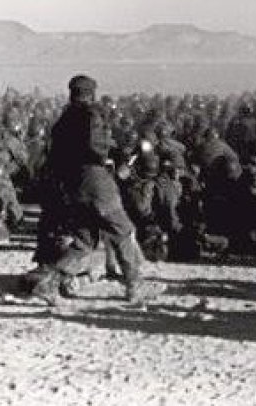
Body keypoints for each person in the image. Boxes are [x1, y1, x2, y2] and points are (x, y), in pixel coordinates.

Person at [30, 75, 160, 304]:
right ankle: (135, 285)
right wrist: (114, 156)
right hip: (95, 181)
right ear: (91, 93)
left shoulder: (63, 119)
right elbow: (95, 146)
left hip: (72, 184)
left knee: (84, 241)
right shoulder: (91, 114)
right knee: (123, 229)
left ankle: (47, 282)